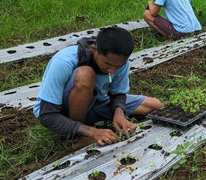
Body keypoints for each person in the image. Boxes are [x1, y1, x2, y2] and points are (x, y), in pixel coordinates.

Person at [34, 27, 162, 150]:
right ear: (94, 49)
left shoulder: (119, 61)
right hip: (63, 111)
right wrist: (92, 132)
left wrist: (119, 113)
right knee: (86, 74)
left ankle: (88, 124)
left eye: (118, 66)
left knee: (154, 105)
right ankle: (79, 137)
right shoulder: (64, 61)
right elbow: (47, 115)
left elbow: (118, 94)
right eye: (108, 64)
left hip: (94, 102)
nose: (112, 70)